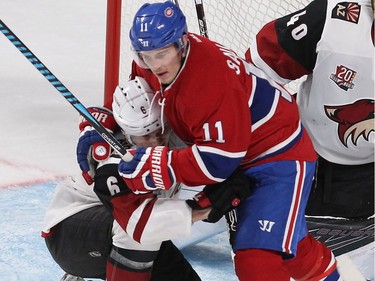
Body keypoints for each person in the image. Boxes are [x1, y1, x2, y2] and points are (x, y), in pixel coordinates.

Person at [107, 1, 342, 280]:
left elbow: (219, 161)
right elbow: (141, 100)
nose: (154, 65)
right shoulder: (154, 63)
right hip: (239, 151)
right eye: (146, 56)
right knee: (289, 242)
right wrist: (104, 122)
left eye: (161, 54)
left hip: (277, 157)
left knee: (256, 261)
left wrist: (160, 165)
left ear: (181, 44)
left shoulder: (209, 81)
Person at [44, 77, 250, 281]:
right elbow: (138, 222)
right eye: (145, 136)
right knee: (136, 233)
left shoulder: (174, 133)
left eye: (159, 131)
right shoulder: (115, 164)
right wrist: (202, 209)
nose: (155, 143)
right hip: (69, 236)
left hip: (135, 235)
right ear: (127, 132)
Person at [245, 0, 374, 220]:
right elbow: (255, 75)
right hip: (299, 151)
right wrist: (243, 144)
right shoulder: (332, 18)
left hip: (364, 174)